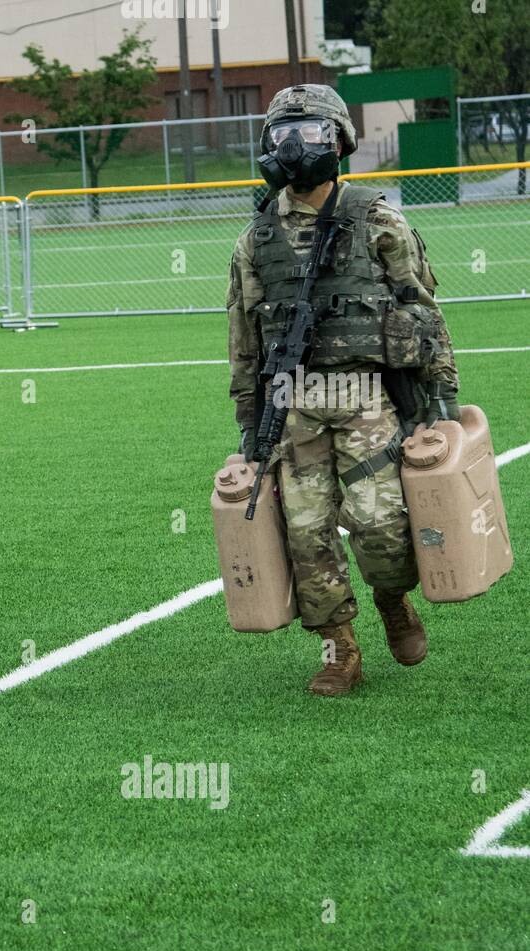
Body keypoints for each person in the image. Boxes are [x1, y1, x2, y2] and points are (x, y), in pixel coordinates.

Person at [227, 85, 460, 696]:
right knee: (307, 539)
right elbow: (245, 340)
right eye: (285, 135)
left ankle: (392, 600)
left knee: (382, 529)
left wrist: (441, 401)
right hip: (293, 407)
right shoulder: (255, 240)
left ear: (339, 143)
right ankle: (341, 651)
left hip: (367, 400)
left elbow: (423, 310)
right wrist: (250, 423)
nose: (297, 148)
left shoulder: (378, 217)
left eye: (311, 134)